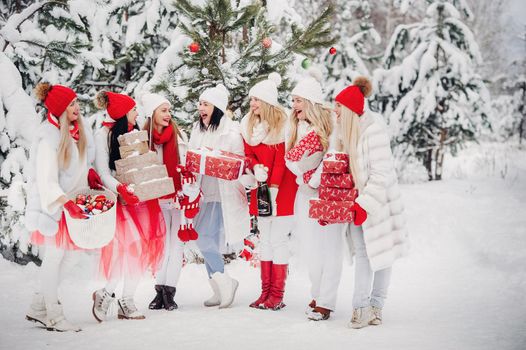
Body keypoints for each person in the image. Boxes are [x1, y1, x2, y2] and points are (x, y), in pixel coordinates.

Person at [333, 76, 408, 329]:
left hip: (379, 204)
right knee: (364, 254)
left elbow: (381, 175)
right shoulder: (344, 134)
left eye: (338, 109)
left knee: (381, 254)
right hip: (356, 203)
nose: (335, 114)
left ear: (351, 111)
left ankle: (373, 306)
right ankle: (362, 307)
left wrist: (364, 204)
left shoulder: (374, 133)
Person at [25, 82, 98, 331]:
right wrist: (67, 203)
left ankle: (38, 305)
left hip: (71, 205)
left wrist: (90, 176)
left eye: (76, 102)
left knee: (73, 256)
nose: (76, 108)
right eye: (71, 104)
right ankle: (54, 315)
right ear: (59, 109)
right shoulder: (49, 137)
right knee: (55, 258)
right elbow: (47, 181)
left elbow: (75, 168)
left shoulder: (75, 131)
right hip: (55, 207)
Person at [91, 91, 166, 321]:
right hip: (120, 200)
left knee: (140, 248)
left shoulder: (135, 134)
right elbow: (103, 172)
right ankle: (106, 292)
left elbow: (142, 165)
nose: (137, 113)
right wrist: (120, 188)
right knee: (124, 248)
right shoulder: (102, 135)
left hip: (141, 199)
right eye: (133, 109)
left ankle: (127, 299)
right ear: (124, 113)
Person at [285, 70, 345, 321]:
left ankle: (327, 301)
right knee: (311, 248)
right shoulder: (296, 128)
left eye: (298, 100)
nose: (294, 105)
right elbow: (290, 159)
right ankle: (318, 292)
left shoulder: (331, 128)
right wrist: (302, 176)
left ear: (310, 102)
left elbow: (332, 157)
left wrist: (314, 177)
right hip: (305, 193)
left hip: (329, 195)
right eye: (293, 100)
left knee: (330, 248)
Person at [188, 84, 250, 308]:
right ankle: (218, 287)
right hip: (203, 193)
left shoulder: (231, 132)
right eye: (200, 104)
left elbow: (240, 163)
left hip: (223, 195)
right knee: (207, 240)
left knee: (203, 239)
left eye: (205, 104)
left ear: (217, 108)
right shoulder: (198, 129)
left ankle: (226, 282)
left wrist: (218, 162)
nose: (200, 108)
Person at [240, 73, 298, 310]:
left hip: (282, 189)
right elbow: (248, 153)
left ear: (267, 103)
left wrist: (272, 185)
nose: (252, 104)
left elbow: (282, 161)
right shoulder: (248, 125)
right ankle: (264, 293)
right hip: (260, 187)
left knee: (278, 240)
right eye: (251, 99)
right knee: (265, 240)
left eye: (257, 100)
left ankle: (277, 294)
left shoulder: (283, 126)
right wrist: (255, 168)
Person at [141, 92, 199, 311]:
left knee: (176, 246)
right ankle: (159, 291)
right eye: (163, 110)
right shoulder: (143, 140)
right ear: (152, 113)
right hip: (155, 200)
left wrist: (186, 190)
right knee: (163, 247)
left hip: (177, 199)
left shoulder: (178, 135)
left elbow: (189, 166)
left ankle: (169, 292)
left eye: (169, 110)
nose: (168, 114)